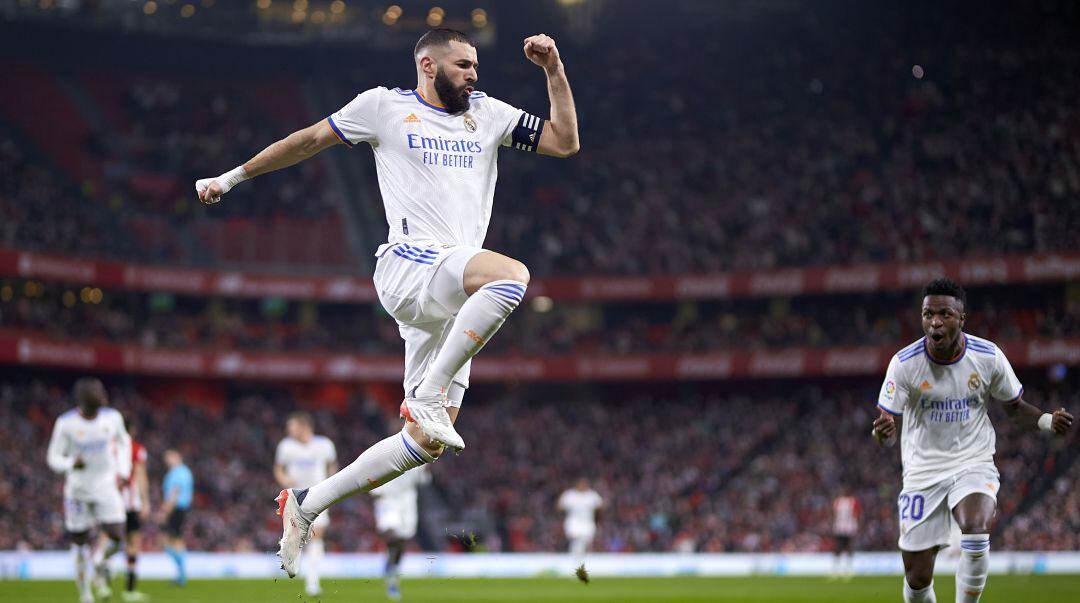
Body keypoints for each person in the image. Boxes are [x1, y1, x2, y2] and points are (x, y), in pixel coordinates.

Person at [194, 27, 578, 577]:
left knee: (424, 445)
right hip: (410, 264)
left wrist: (554, 72)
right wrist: (231, 178)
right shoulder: (382, 108)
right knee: (511, 276)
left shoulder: (488, 115)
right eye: (464, 64)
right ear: (428, 65)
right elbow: (306, 140)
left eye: (475, 65)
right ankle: (425, 392)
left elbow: (565, 141)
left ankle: (307, 503)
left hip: (448, 295)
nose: (475, 73)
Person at [872, 278, 1075, 603]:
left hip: (973, 462)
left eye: (944, 314)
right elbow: (885, 429)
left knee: (976, 526)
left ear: (961, 319)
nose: (934, 322)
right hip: (922, 472)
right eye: (927, 314)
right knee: (918, 576)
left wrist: (1047, 421)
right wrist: (882, 436)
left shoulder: (988, 356)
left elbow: (1015, 408)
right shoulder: (904, 363)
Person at [46, 378, 131, 603]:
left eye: (102, 392)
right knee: (79, 542)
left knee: (117, 537)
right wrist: (71, 463)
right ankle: (85, 594)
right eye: (97, 393)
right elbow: (53, 458)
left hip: (106, 487)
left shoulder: (112, 418)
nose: (103, 396)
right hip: (78, 491)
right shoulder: (66, 423)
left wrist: (123, 470)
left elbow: (124, 441)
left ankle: (99, 560)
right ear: (83, 399)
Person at [274, 412, 338, 597]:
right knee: (296, 539)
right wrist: (284, 479)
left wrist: (330, 484)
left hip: (318, 496)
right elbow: (278, 468)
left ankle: (312, 582)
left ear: (304, 426)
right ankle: (295, 567)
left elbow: (332, 465)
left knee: (316, 537)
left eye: (292, 426)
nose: (289, 430)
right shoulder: (286, 446)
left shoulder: (324, 445)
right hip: (295, 498)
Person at [94, 417, 150, 602]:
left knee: (107, 540)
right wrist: (145, 501)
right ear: (131, 430)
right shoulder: (136, 449)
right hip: (129, 504)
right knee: (133, 543)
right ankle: (130, 590)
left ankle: (103, 585)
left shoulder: (107, 447)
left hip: (109, 502)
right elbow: (140, 475)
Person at [370, 465, 430, 601]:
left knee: (402, 540)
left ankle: (392, 571)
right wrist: (375, 489)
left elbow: (423, 481)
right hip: (388, 499)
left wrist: (426, 469)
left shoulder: (419, 459)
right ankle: (391, 567)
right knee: (392, 534)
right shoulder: (390, 453)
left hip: (408, 503)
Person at [157, 449, 194, 586]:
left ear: (178, 456)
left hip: (176, 509)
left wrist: (165, 511)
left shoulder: (179, 472)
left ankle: (182, 574)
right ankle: (181, 574)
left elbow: (174, 493)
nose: (167, 460)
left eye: (170, 457)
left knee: (169, 540)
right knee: (173, 540)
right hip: (179, 509)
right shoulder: (182, 472)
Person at [556, 478, 603, 562]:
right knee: (577, 539)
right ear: (577, 485)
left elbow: (600, 505)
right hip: (573, 522)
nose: (582, 486)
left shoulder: (591, 495)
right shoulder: (570, 494)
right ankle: (576, 560)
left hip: (587, 522)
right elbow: (559, 506)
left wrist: (596, 513)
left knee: (586, 542)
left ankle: (579, 560)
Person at [829, 490, 860, 581]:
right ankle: (837, 570)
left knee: (847, 548)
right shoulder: (839, 501)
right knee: (839, 548)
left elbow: (856, 514)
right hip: (840, 527)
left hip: (848, 528)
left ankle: (848, 570)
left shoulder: (851, 501)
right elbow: (834, 514)